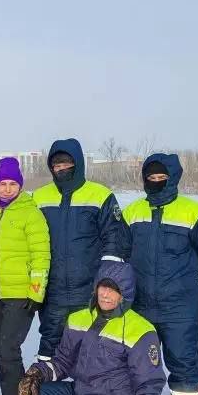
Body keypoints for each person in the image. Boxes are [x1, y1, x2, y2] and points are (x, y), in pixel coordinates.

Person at [18, 260, 164, 395]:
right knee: (38, 392)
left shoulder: (141, 330)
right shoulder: (79, 318)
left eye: (114, 289)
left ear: (125, 293)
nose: (105, 294)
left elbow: (149, 383)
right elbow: (62, 361)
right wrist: (38, 372)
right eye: (102, 287)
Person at [121, 153, 198, 395]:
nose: (155, 181)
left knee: (184, 367)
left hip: (180, 309)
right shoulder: (133, 212)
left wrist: (192, 279)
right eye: (150, 177)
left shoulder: (193, 212)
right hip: (140, 307)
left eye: (161, 177)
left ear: (173, 177)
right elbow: (123, 251)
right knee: (138, 368)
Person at [32, 138, 128, 366]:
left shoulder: (100, 195)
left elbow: (115, 240)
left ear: (78, 164)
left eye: (67, 164)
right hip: (52, 293)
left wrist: (106, 283)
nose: (62, 169)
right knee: (50, 348)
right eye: (56, 165)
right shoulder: (39, 197)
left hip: (89, 292)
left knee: (93, 349)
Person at [0, 157, 50, 395]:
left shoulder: (31, 214)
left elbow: (41, 255)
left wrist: (36, 292)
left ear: (20, 186)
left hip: (20, 293)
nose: (7, 189)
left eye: (12, 184)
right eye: (3, 184)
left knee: (9, 347)